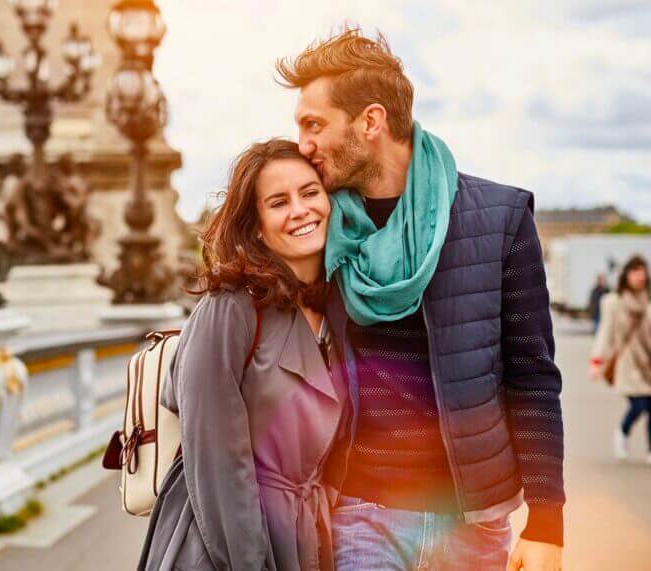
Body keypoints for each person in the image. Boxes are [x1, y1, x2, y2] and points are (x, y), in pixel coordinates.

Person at [277, 28, 565, 571]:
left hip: (473, 522)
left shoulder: (501, 219)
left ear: (371, 121)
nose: (303, 145)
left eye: (313, 125)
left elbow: (532, 376)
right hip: (360, 513)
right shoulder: (317, 228)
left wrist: (547, 522)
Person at [139, 139, 349, 571]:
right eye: (279, 202)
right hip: (223, 546)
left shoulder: (335, 308)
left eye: (310, 192)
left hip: (302, 539)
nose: (300, 210)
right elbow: (217, 463)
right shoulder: (229, 308)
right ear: (255, 226)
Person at [590, 256, 651, 462]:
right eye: (635, 272)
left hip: (647, 362)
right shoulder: (613, 303)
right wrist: (597, 360)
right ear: (626, 275)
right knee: (640, 404)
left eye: (643, 272)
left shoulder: (648, 301)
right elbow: (605, 333)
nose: (640, 276)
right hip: (627, 363)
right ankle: (622, 431)